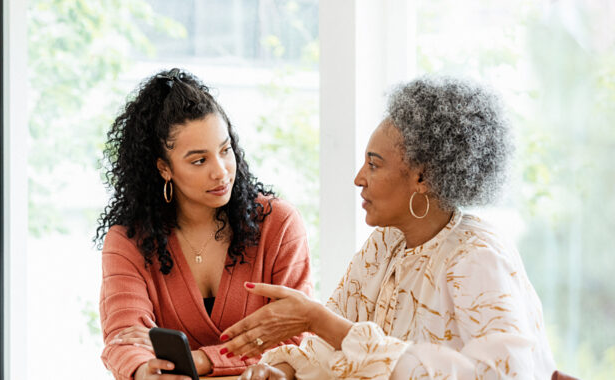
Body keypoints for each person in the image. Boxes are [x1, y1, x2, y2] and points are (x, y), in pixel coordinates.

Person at [219, 76, 556, 379]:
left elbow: (503, 375)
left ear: (422, 176)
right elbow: (324, 347)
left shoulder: (477, 257)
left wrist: (316, 319)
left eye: (374, 164)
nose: (358, 178)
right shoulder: (385, 243)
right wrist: (280, 370)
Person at [95, 68, 312, 380]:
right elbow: (124, 337)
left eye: (225, 150)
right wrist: (145, 369)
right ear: (164, 168)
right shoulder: (128, 240)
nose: (221, 172)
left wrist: (200, 361)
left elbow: (298, 338)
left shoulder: (278, 224)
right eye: (199, 161)